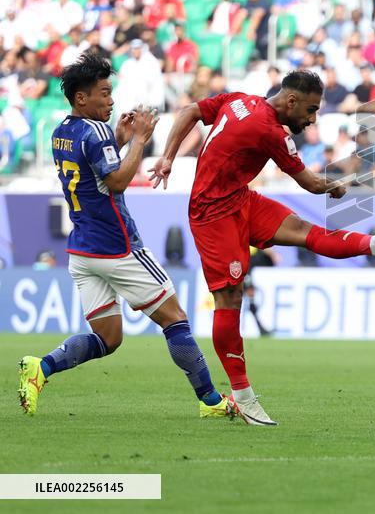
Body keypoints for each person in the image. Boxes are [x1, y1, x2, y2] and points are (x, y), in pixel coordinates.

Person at [149, 71, 375, 426]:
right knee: (230, 299)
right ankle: (243, 396)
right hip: (212, 214)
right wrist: (337, 185)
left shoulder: (240, 100)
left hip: (239, 198)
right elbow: (309, 183)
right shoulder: (270, 131)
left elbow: (190, 111)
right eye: (310, 110)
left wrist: (169, 156)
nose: (312, 120)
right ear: (291, 101)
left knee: (304, 231)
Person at [18, 55, 232, 420]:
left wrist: (117, 138)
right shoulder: (95, 132)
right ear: (82, 99)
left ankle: (42, 368)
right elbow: (116, 180)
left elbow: (93, 170)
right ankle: (211, 401)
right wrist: (138, 141)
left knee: (109, 337)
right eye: (104, 93)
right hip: (118, 248)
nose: (111, 100)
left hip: (82, 251)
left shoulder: (61, 133)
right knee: (175, 319)